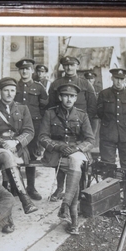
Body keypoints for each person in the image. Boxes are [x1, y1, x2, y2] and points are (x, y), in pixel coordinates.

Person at [39, 84, 95, 235]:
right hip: (57, 154)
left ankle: (66, 205)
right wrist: (58, 146)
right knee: (75, 171)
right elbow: (42, 137)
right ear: (60, 97)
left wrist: (77, 148)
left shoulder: (82, 115)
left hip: (76, 153)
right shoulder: (50, 113)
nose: (69, 99)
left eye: (72, 96)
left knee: (75, 163)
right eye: (65, 95)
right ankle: (72, 219)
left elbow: (90, 140)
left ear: (76, 98)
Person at [0, 76, 38, 215]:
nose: (9, 93)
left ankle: (9, 205)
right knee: (6, 154)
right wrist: (3, 143)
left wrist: (16, 141)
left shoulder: (23, 109)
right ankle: (25, 199)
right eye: (6, 90)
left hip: (17, 150)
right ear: (0, 91)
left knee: (9, 157)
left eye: (12, 90)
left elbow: (29, 131)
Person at [47, 55, 97, 199]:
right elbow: (52, 106)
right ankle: (59, 188)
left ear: (77, 66)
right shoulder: (56, 84)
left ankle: (80, 189)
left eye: (72, 64)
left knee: (78, 159)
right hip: (60, 126)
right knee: (60, 156)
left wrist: (85, 127)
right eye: (66, 65)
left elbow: (92, 108)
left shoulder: (86, 84)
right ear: (63, 67)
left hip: (80, 128)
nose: (69, 67)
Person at [15, 58, 48, 200]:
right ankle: (16, 187)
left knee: (32, 156)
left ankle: (31, 187)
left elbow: (44, 108)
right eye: (22, 69)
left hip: (34, 126)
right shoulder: (14, 86)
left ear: (32, 70)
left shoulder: (39, 87)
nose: (24, 71)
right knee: (15, 154)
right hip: (16, 125)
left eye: (27, 69)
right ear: (19, 71)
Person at [97, 68, 126, 171]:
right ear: (112, 78)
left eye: (121, 79)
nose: (119, 81)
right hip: (108, 134)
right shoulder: (104, 94)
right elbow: (100, 113)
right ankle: (109, 187)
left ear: (125, 80)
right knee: (107, 165)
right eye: (116, 78)